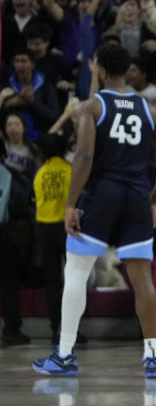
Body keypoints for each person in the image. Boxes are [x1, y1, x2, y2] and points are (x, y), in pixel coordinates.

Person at [33, 43, 156, 378]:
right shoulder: (150, 109)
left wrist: (71, 203)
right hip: (138, 195)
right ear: (126, 70)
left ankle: (65, 355)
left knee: (77, 273)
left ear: (98, 69)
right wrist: (154, 201)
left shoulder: (91, 108)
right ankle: (153, 357)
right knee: (143, 279)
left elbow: (82, 157)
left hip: (102, 195)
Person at [33, 133, 71, 342]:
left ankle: (55, 326)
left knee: (52, 281)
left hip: (44, 229)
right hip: (66, 229)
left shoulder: (40, 173)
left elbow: (35, 200)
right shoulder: (70, 170)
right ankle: (70, 329)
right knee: (72, 279)